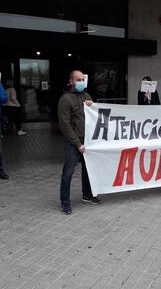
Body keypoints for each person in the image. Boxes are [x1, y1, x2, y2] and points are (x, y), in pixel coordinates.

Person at [58, 70, 100, 214]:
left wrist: (92, 105)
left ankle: (87, 195)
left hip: (87, 141)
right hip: (73, 142)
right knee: (68, 172)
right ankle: (65, 202)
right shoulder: (65, 99)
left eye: (82, 79)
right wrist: (78, 144)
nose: (81, 82)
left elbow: (93, 117)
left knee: (88, 171)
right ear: (71, 82)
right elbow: (65, 125)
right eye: (78, 80)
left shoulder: (87, 96)